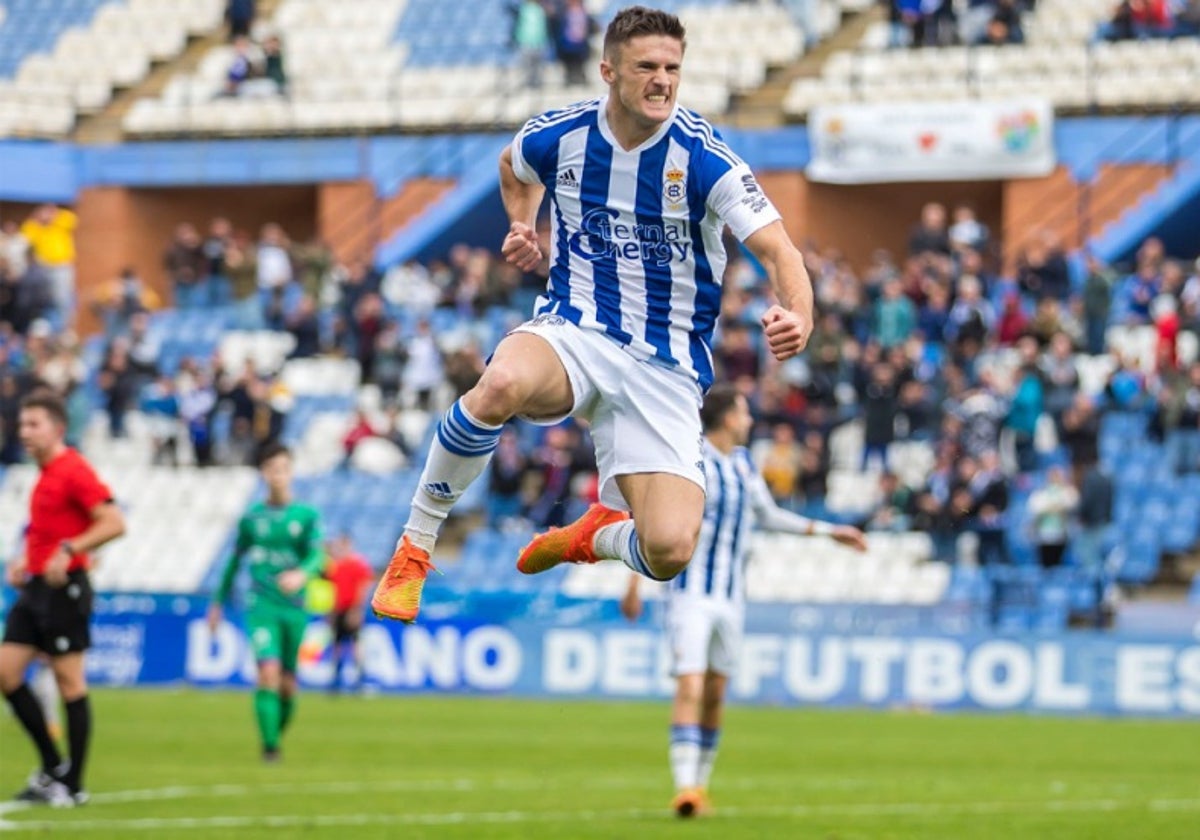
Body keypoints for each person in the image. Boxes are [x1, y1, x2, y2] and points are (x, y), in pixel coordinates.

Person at [370, 6, 814, 623]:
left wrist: (800, 313)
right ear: (608, 71)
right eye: (647, 67)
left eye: (672, 69)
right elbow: (512, 165)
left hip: (666, 367)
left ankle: (593, 536)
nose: (662, 80)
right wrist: (522, 224)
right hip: (574, 329)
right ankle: (415, 546)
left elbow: (780, 250)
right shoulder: (561, 135)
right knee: (499, 381)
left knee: (668, 550)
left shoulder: (705, 160)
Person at [619, 384, 867, 817]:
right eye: (744, 413)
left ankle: (700, 784)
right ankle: (684, 788)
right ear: (729, 418)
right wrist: (634, 583)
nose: (750, 420)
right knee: (690, 684)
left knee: (715, 692)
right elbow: (649, 519)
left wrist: (830, 532)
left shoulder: (744, 464)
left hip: (731, 596)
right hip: (689, 594)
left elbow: (769, 516)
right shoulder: (688, 459)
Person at [1, 389, 127, 806]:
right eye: (22, 424)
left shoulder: (74, 469)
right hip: (36, 586)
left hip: (65, 589)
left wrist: (73, 549)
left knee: (69, 681)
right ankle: (53, 767)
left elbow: (113, 521)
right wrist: (25, 561)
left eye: (33, 424)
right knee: (6, 674)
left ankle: (73, 785)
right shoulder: (43, 475)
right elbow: (47, 534)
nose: (25, 432)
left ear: (58, 428)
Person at [207, 442, 325, 762]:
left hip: (294, 608)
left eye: (284, 469)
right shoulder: (251, 519)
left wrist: (302, 573)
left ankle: (274, 733)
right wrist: (217, 603)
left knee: (287, 684)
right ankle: (270, 748)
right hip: (261, 605)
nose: (278, 475)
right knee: (267, 674)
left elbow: (317, 554)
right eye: (272, 469)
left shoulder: (306, 515)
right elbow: (234, 562)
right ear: (263, 473)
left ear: (291, 472)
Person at [323, 534, 375, 693]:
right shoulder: (336, 566)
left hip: (352, 608)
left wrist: (357, 609)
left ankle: (360, 679)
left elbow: (363, 587)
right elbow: (332, 589)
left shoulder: (358, 564)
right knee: (338, 643)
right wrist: (331, 611)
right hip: (339, 609)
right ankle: (336, 680)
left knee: (355, 644)